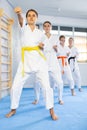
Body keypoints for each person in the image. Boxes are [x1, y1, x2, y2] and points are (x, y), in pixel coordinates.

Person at [5, 7, 58, 120]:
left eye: (34, 15)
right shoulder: (23, 29)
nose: (31, 17)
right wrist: (19, 13)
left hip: (39, 62)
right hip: (25, 62)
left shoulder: (40, 33)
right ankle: (13, 109)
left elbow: (47, 47)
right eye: (29, 15)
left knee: (47, 87)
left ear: (36, 18)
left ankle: (51, 110)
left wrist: (42, 46)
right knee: (15, 87)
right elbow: (20, 21)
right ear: (27, 18)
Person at [33, 21, 64, 105]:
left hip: (53, 63)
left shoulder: (55, 38)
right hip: (43, 62)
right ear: (43, 28)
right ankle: (37, 98)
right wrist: (42, 47)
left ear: (51, 27)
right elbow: (39, 49)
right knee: (36, 81)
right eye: (45, 26)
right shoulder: (40, 38)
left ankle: (60, 99)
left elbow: (58, 52)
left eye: (48, 26)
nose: (47, 27)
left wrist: (55, 49)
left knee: (60, 82)